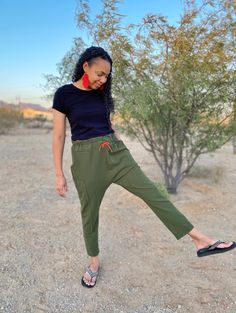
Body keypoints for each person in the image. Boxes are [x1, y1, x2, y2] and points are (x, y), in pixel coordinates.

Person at [51, 46, 236, 288]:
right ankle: (94, 262)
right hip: (87, 160)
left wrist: (116, 142)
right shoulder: (64, 94)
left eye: (107, 75)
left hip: (116, 153)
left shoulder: (102, 94)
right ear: (85, 66)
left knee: (153, 194)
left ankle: (199, 239)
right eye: (99, 73)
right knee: (90, 213)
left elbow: (107, 124)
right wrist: (59, 174)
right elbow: (58, 136)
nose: (103, 80)